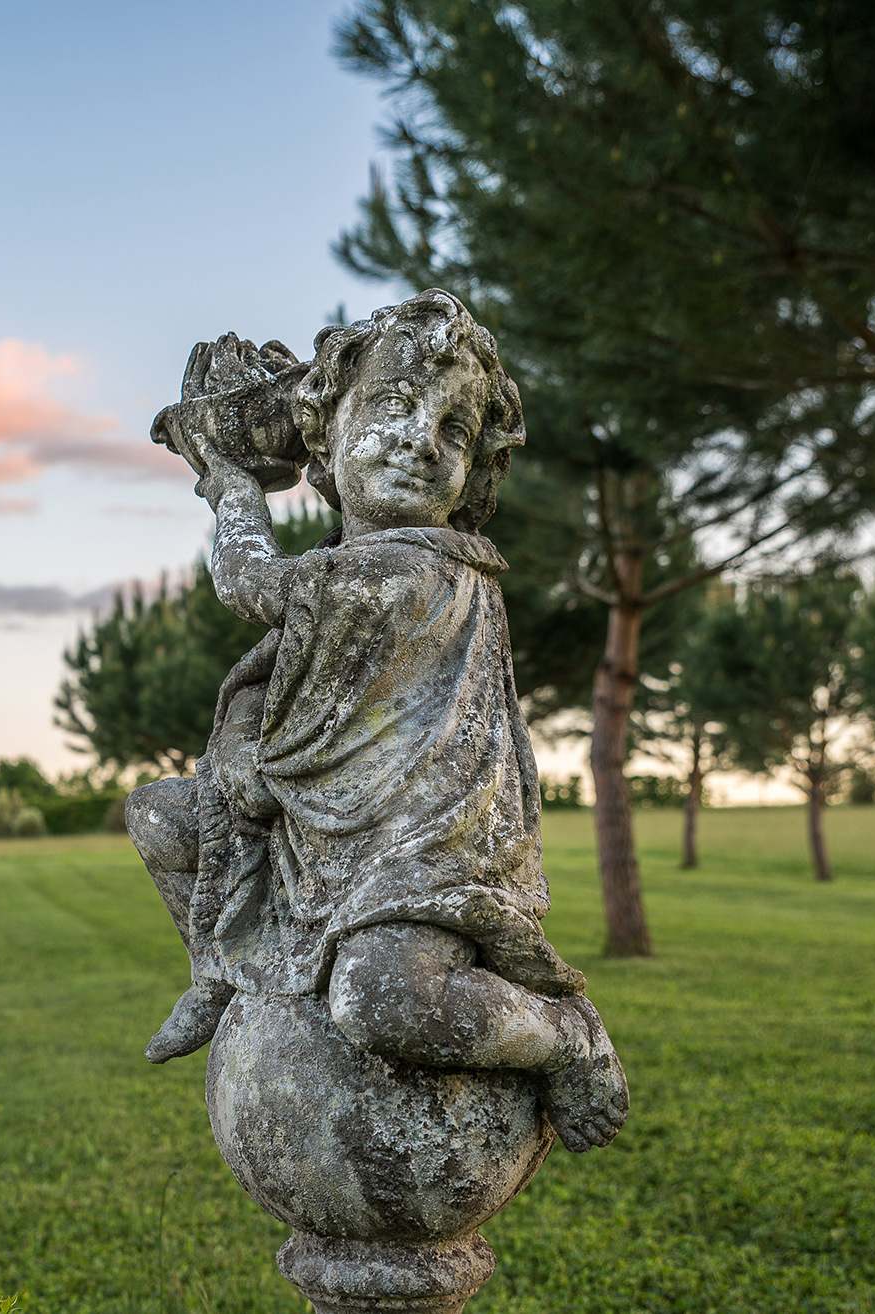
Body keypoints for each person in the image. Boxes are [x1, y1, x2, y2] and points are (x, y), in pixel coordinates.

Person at [127, 290, 627, 1152]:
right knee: (161, 814)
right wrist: (244, 745)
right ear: (324, 434)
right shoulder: (342, 565)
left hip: (409, 851)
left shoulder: (415, 570)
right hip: (314, 827)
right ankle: (220, 963)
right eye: (392, 406)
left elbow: (249, 587)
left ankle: (565, 1036)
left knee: (386, 1001)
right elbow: (266, 683)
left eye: (453, 432)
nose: (419, 441)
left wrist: (233, 487)